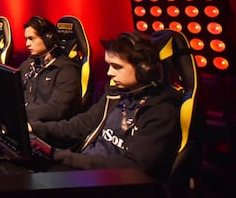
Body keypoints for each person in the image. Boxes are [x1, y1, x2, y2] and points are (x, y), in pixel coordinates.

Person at [29, 32, 181, 182]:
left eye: (116, 66)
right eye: (109, 65)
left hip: (112, 182)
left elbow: (133, 166)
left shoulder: (162, 112)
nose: (109, 73)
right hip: (87, 170)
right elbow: (78, 126)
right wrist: (34, 128)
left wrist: (61, 156)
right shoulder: (117, 96)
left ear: (144, 70)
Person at [19, 16, 81, 122]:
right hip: (22, 122)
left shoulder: (67, 71)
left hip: (42, 127)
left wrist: (20, 114)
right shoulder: (28, 65)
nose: (27, 44)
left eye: (31, 38)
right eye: (26, 39)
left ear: (48, 39)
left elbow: (56, 109)